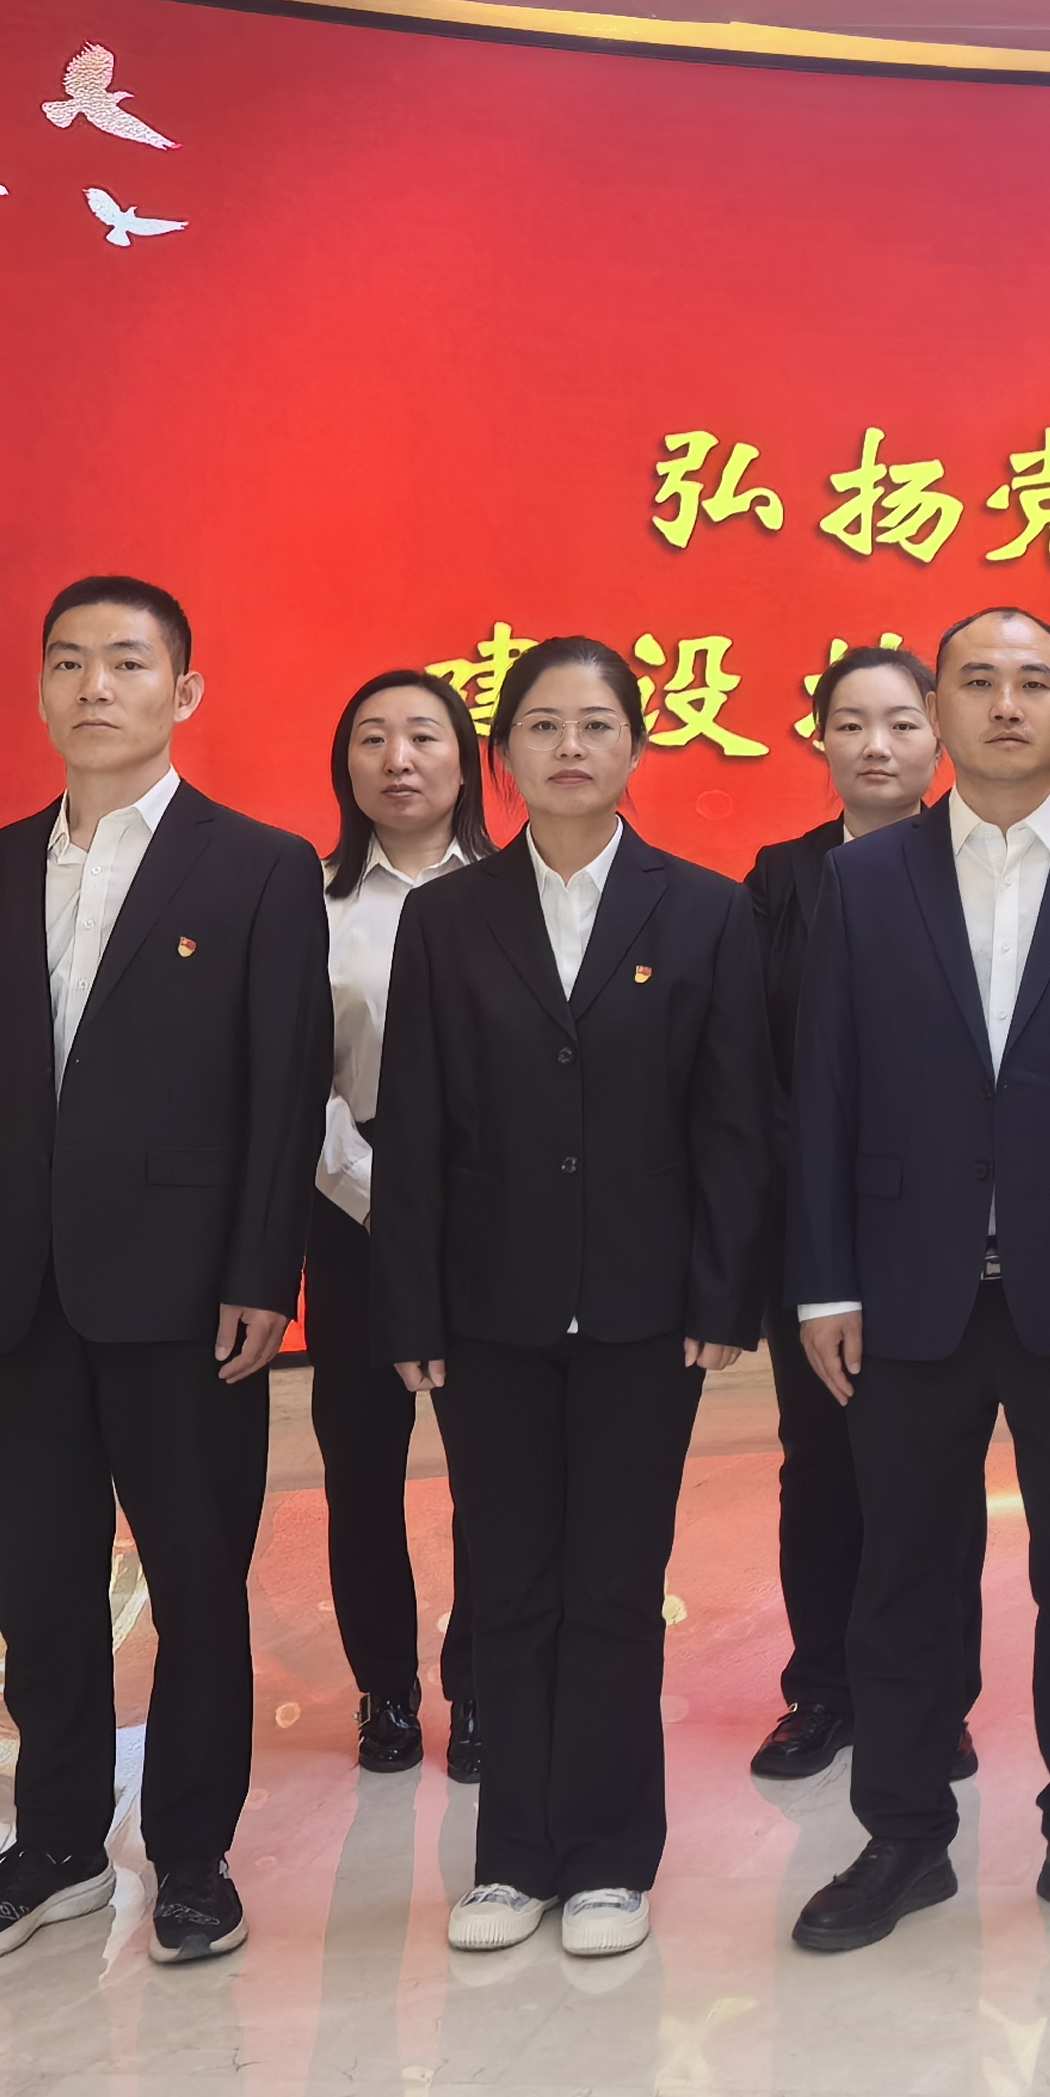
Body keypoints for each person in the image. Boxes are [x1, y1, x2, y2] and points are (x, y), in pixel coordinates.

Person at [0, 576, 329, 1968]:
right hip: (12, 1296)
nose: (96, 686)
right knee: (38, 1582)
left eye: (129, 663)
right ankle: (57, 1849)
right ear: (39, 690)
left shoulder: (258, 867)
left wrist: (263, 1270)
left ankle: (192, 1856)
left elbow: (284, 1089)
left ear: (183, 692)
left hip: (189, 1296)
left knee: (198, 1583)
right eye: (69, 661)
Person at [785, 607, 1050, 1958]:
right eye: (978, 681)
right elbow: (823, 1097)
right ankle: (903, 1835)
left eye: (1034, 682)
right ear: (941, 710)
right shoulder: (862, 882)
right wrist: (822, 1285)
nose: (1007, 705)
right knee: (904, 1573)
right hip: (905, 1290)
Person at [374, 636, 776, 1961]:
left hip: (643, 1311)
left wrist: (723, 1294)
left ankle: (608, 1856)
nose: (569, 748)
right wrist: (410, 1311)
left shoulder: (703, 910)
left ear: (634, 747)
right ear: (504, 756)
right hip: (487, 1307)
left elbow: (733, 1123)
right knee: (510, 1585)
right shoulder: (448, 918)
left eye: (596, 724)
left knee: (613, 1582)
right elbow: (415, 1127)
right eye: (542, 726)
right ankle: (512, 1858)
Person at [740, 644, 949, 1783]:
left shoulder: (974, 866)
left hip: (942, 1233)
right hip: (812, 1230)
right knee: (819, 1462)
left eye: (902, 723)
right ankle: (821, 1688)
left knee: (929, 1468)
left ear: (938, 736)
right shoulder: (780, 880)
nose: (877, 746)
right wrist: (814, 1205)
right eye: (852, 724)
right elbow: (756, 1063)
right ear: (818, 740)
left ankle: (929, 1695)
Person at [307, 669, 489, 1782]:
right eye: (372, 738)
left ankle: (481, 1690)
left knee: (492, 1471)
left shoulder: (514, 893)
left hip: (488, 1215)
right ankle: (385, 1688)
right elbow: (293, 1072)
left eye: (424, 735)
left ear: (467, 763)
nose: (399, 759)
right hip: (351, 1210)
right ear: (347, 768)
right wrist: (375, 1193)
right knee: (362, 1469)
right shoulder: (309, 904)